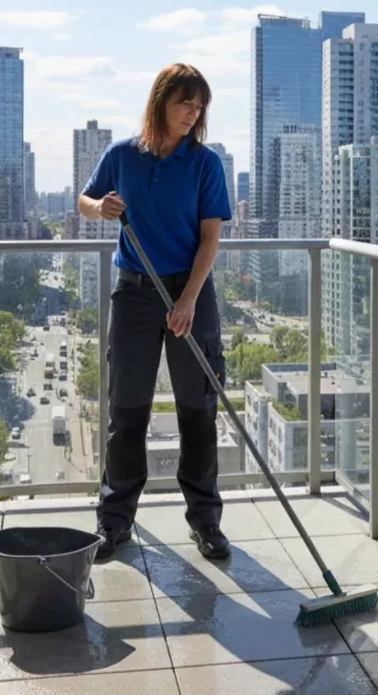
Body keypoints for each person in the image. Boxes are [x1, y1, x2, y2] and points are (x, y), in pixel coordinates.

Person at [77, 63, 233, 561]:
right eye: (185, 103)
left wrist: (187, 299)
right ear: (161, 101)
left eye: (199, 106)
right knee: (127, 411)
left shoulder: (204, 163)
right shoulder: (123, 155)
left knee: (197, 409)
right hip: (135, 295)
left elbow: (211, 238)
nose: (193, 114)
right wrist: (98, 209)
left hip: (190, 291)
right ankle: (114, 521)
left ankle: (206, 521)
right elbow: (84, 199)